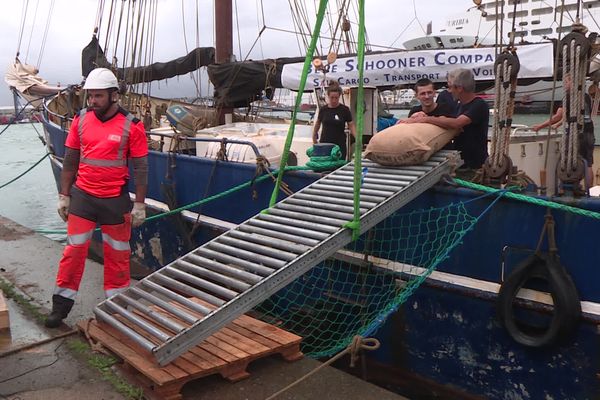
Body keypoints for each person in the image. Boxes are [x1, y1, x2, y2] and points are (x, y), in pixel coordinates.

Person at [45, 68, 149, 328]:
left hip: (115, 201)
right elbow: (70, 160)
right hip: (83, 199)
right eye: (90, 96)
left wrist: (139, 204)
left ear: (114, 95)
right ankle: (60, 308)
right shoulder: (80, 120)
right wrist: (64, 196)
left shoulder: (131, 125)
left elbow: (141, 168)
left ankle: (116, 313)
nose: (93, 101)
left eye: (98, 96)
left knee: (118, 257)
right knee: (73, 252)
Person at [403, 68, 489, 173]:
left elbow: (457, 123)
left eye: (450, 87)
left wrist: (425, 119)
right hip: (460, 164)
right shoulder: (459, 106)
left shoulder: (478, 105)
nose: (449, 91)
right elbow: (447, 122)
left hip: (476, 166)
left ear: (459, 88)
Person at [531, 74, 595, 186]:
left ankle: (568, 187)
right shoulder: (586, 96)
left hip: (575, 134)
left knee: (568, 160)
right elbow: (570, 116)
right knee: (588, 164)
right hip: (589, 133)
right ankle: (588, 191)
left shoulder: (568, 97)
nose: (564, 85)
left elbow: (558, 116)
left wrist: (540, 126)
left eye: (566, 82)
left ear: (573, 82)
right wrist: (559, 125)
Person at [312, 82, 357, 160]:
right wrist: (314, 136)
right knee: (324, 165)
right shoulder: (323, 109)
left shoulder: (344, 110)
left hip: (339, 144)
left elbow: (351, 124)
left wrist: (357, 137)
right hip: (325, 143)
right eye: (332, 97)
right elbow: (318, 123)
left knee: (338, 165)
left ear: (339, 97)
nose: (334, 100)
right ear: (328, 96)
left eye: (336, 98)